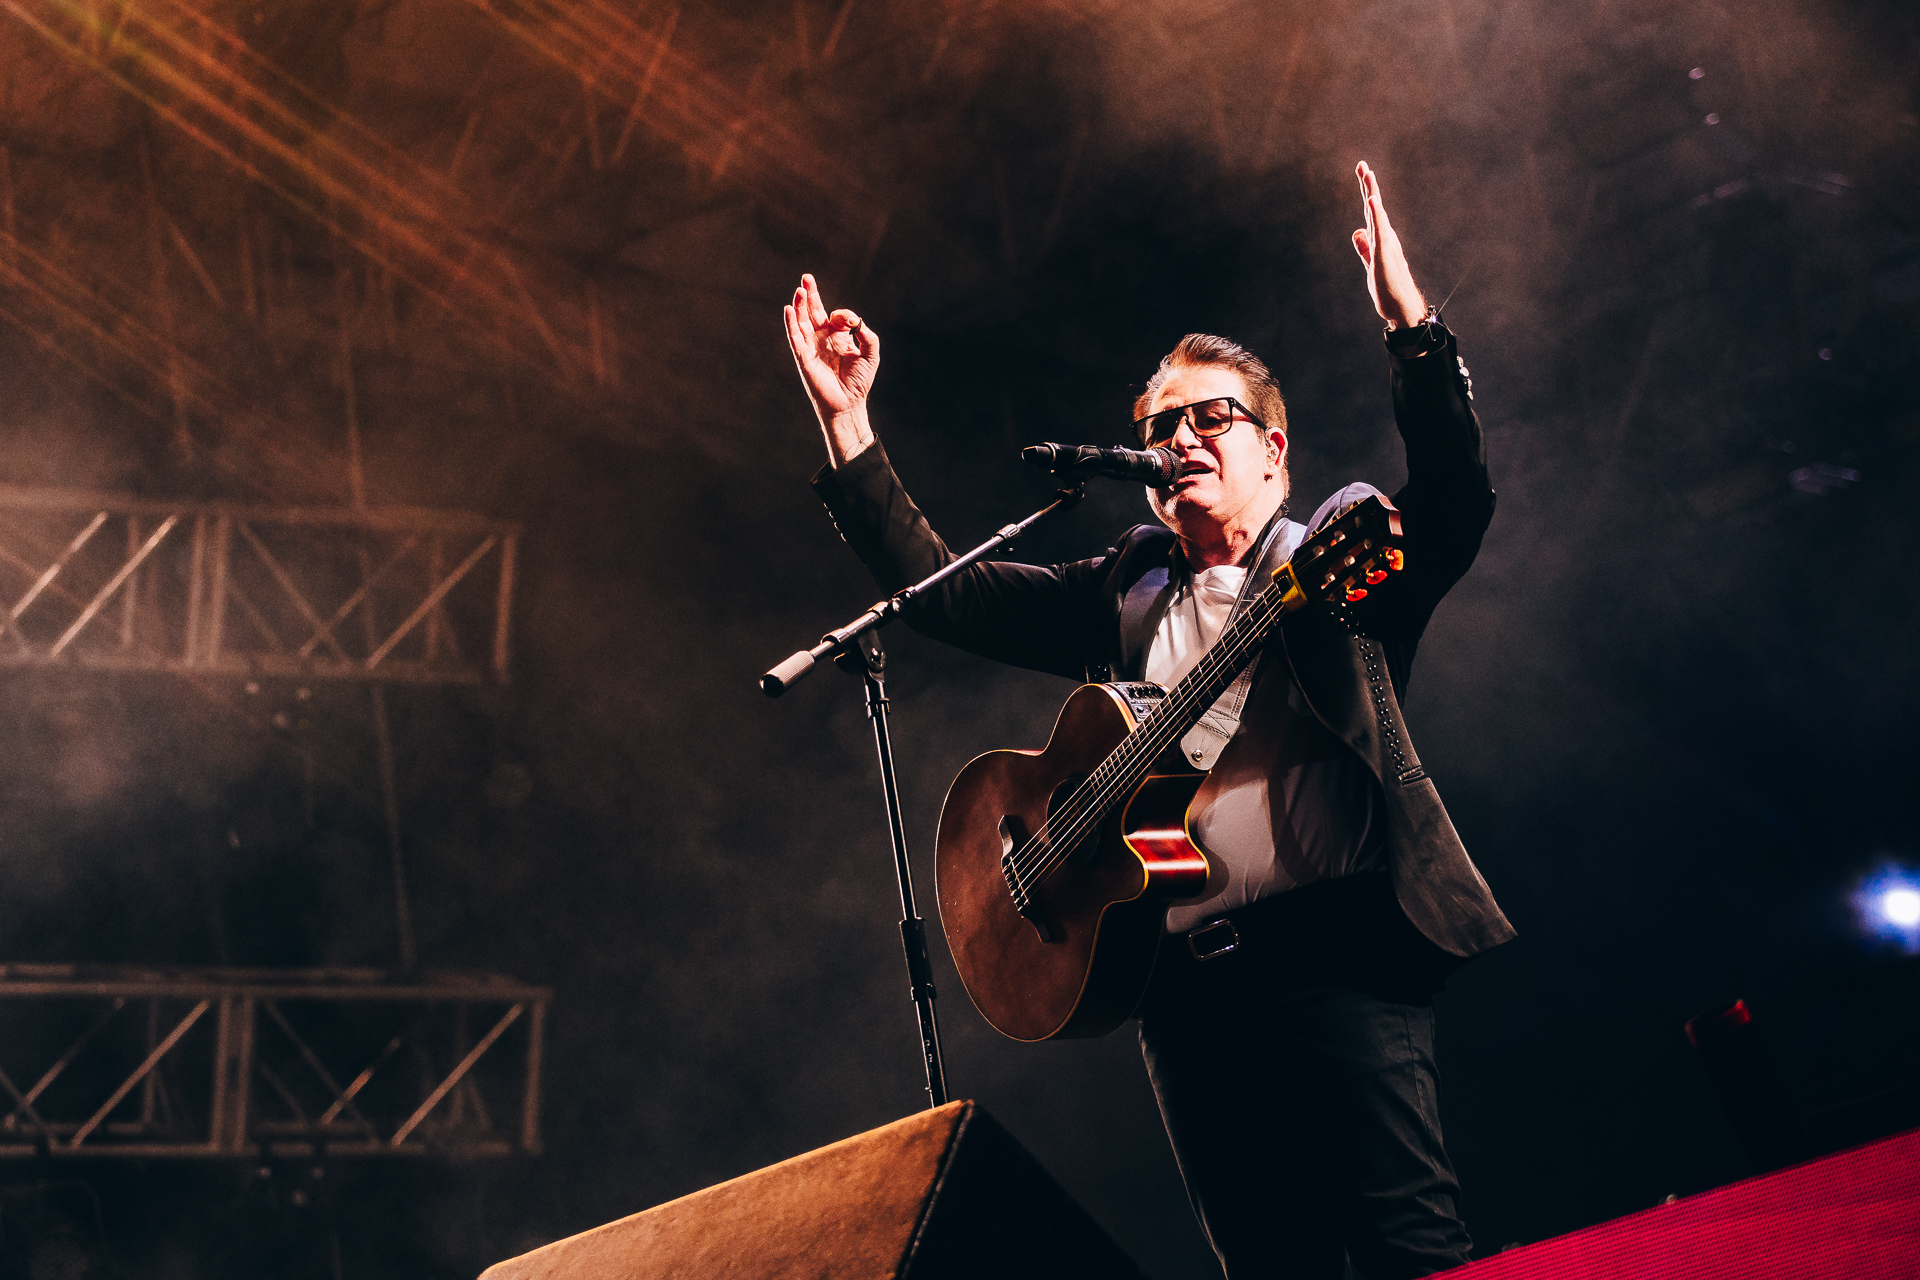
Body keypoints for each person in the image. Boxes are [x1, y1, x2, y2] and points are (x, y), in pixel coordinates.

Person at [783, 162, 1514, 1279]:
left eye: (1210, 417)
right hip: (1184, 993)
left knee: (1411, 1248)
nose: (1180, 438)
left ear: (1274, 450)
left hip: (1341, 958)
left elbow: (1454, 495)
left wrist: (1412, 331)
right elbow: (944, 593)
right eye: (1161, 427)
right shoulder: (1124, 586)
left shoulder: (1341, 555)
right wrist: (850, 426)